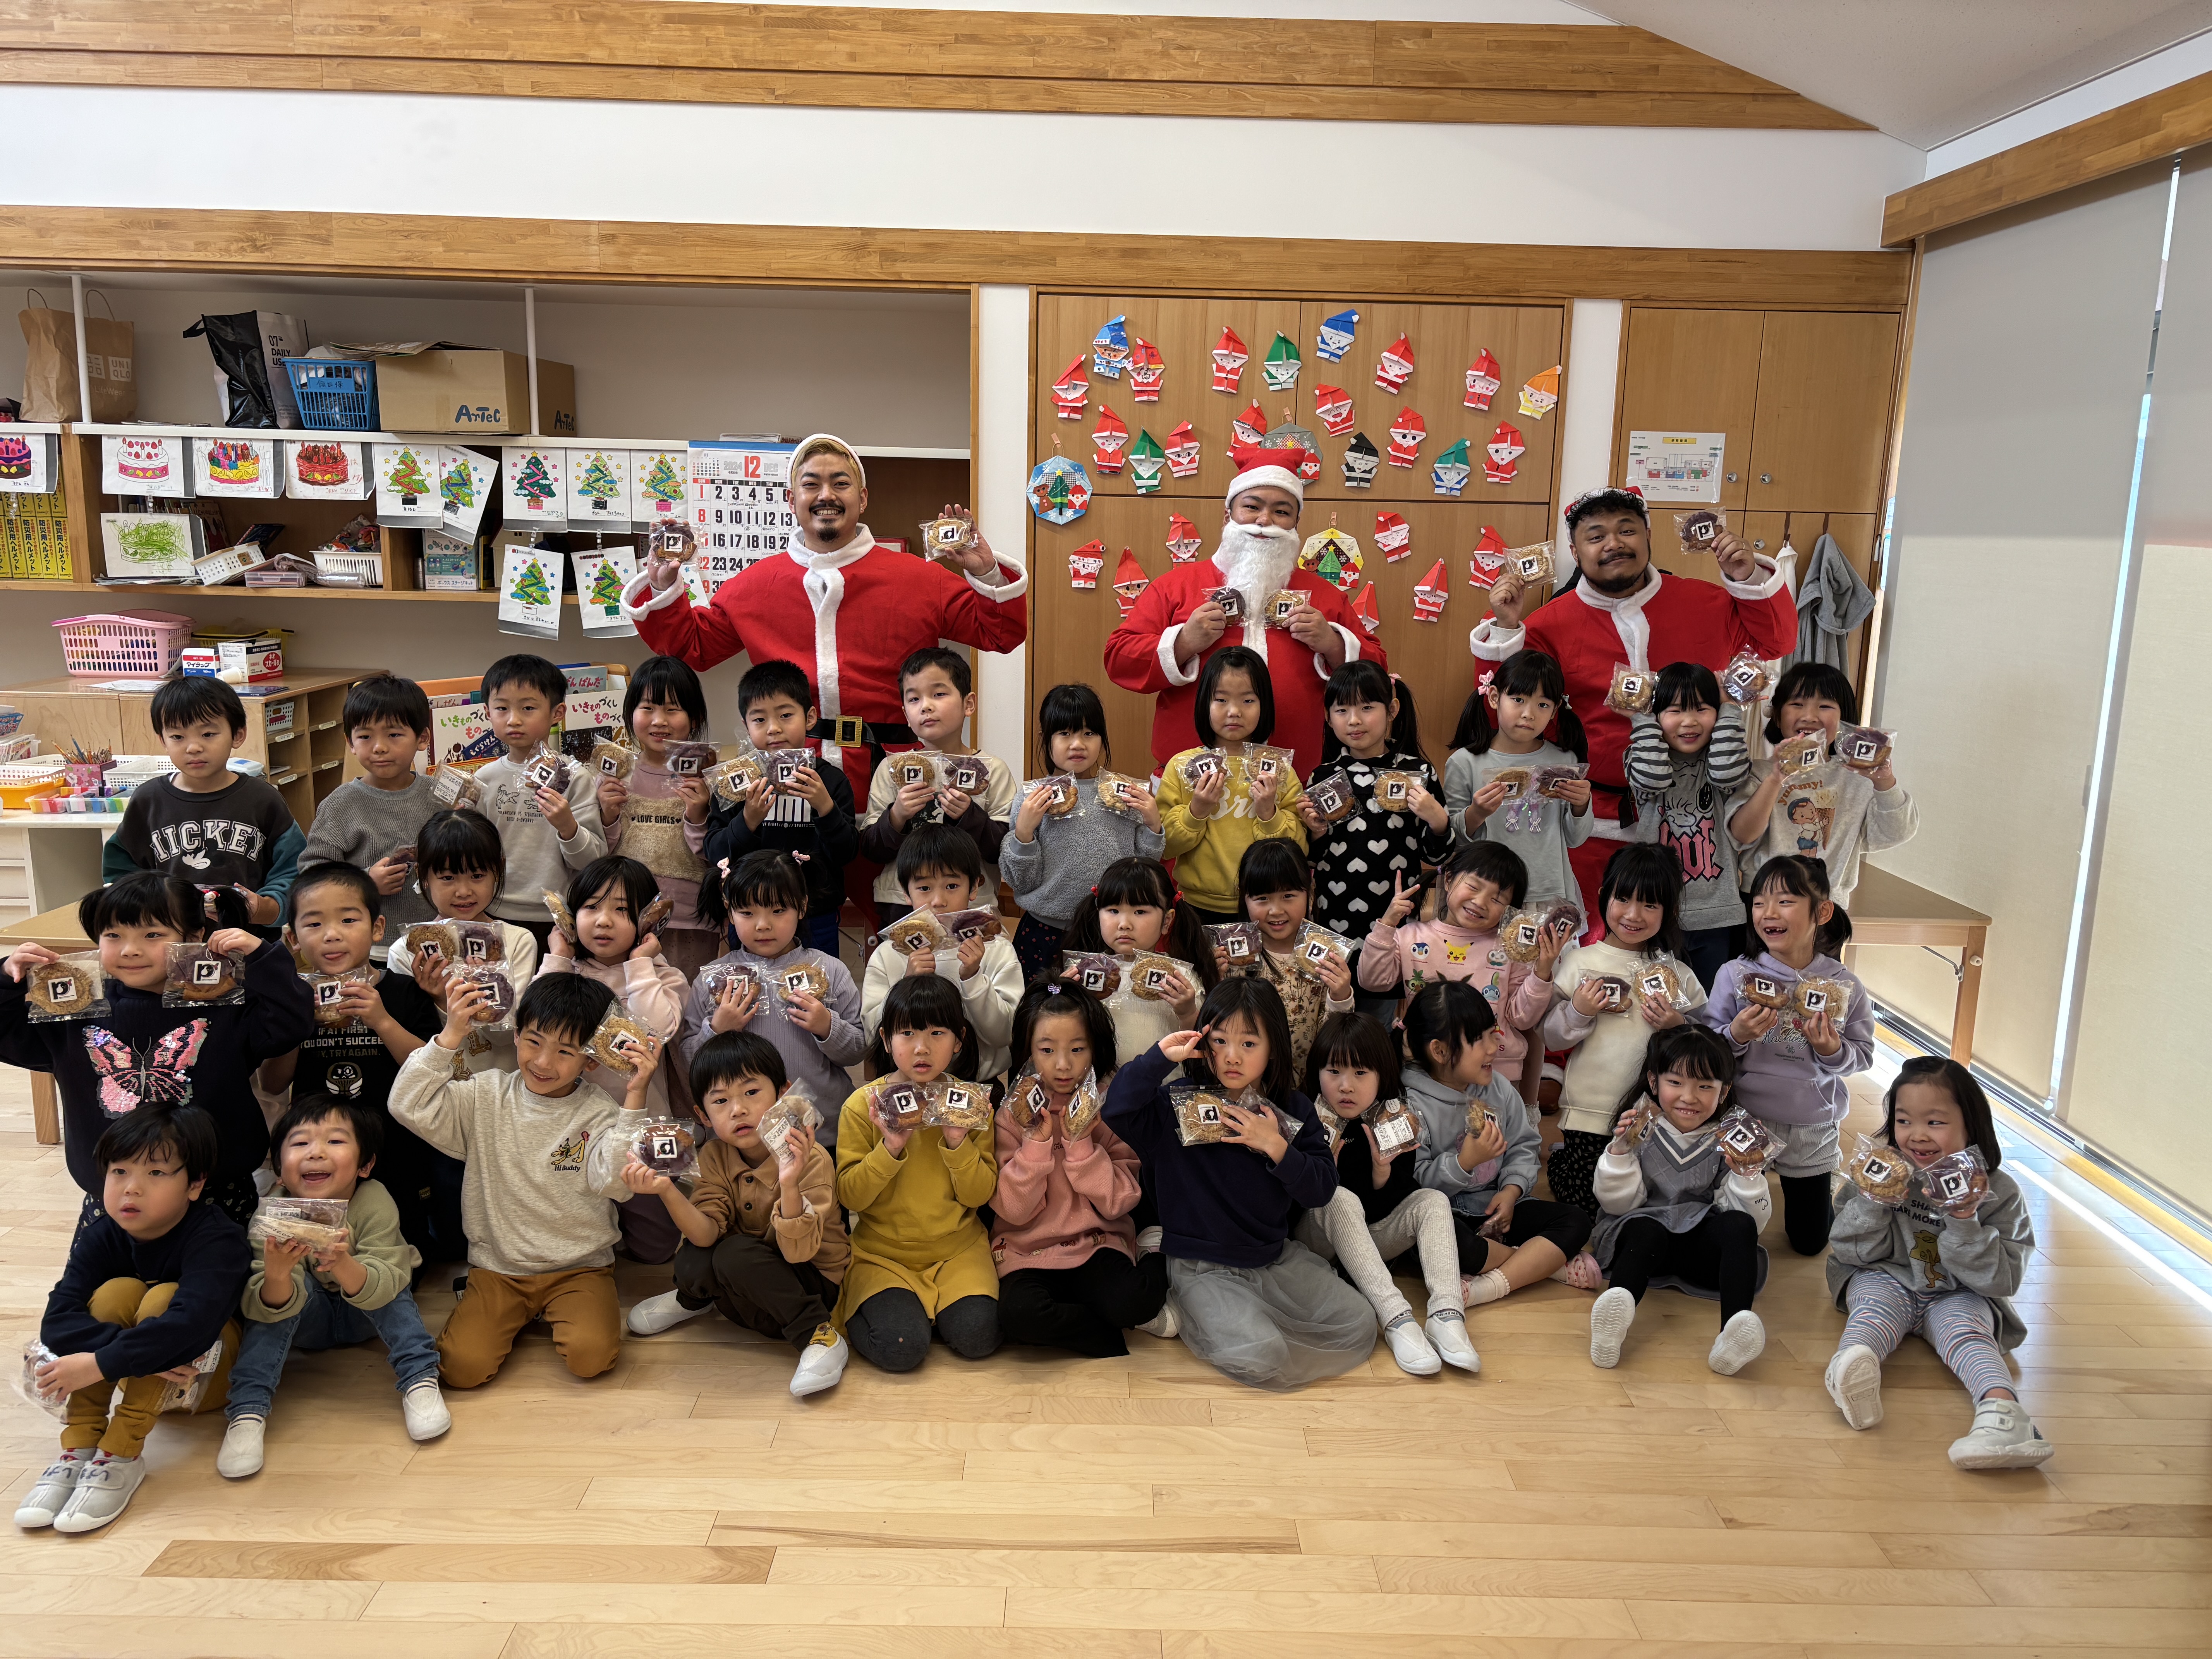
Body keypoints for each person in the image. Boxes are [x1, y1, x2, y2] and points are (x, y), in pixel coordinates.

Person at [622, 433, 1027, 789]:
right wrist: (662, 586)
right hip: (790, 778)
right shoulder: (753, 586)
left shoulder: (921, 578)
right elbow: (693, 648)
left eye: (841, 483)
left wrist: (986, 571)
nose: (826, 495)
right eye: (811, 484)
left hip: (898, 781)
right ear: (791, 500)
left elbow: (1000, 634)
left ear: (863, 498)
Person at [1470, 485, 1795, 919]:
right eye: (1596, 536)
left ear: (1648, 536)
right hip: (1593, 821)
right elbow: (1508, 718)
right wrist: (1507, 628)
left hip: (1695, 822)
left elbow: (1776, 642)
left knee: (1685, 944)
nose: (1614, 544)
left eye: (1627, 531)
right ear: (1575, 552)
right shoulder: (1547, 625)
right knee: (1587, 942)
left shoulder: (1709, 602)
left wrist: (1746, 577)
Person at [1100, 976, 1376, 1390]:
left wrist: (1277, 1147)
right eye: (1220, 1041)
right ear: (1204, 1041)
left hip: (1274, 1260)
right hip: (1201, 1267)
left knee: (1359, 1322)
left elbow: (1321, 1189)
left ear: (1273, 1047)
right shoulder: (1178, 1101)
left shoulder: (1292, 1107)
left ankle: (1232, 1315)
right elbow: (1118, 1109)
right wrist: (1159, 1058)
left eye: (1249, 1043)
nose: (1232, 1057)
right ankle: (1184, 1301)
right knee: (1262, 1356)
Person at [0, 873, 313, 1227]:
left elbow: (292, 1022)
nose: (130, 950)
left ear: (194, 937)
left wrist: (262, 957)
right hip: (113, 1200)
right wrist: (7, 979)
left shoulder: (226, 1002)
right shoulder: (77, 1010)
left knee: (219, 1266)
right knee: (103, 1267)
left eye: (152, 935)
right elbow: (8, 1037)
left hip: (217, 1192)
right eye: (113, 935)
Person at [390, 974, 653, 1388]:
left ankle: (551, 1310)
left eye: (565, 1051)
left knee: (592, 1359)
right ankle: (506, 1308)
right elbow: (406, 1104)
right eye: (533, 1042)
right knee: (460, 1370)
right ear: (515, 1035)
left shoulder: (601, 1112)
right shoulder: (485, 1095)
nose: (544, 1062)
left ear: (590, 1060)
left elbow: (616, 1186)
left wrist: (636, 1096)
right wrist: (451, 1035)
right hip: (499, 1268)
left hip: (579, 1269)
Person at [17, 1106, 247, 1534]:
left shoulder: (218, 1237)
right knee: (114, 1293)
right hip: (147, 1369)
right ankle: (79, 1448)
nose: (132, 1188)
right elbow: (58, 1321)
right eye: (119, 1171)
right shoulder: (102, 1235)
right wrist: (138, 1354)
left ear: (195, 1185)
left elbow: (191, 1328)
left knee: (164, 1298)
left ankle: (121, 1453)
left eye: (156, 1173)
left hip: (203, 1379)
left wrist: (100, 1362)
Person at [1107, 442, 1384, 776]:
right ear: (1228, 514)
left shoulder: (1325, 596)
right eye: (1252, 507)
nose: (1264, 521)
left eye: (1282, 512)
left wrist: (1333, 644)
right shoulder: (1175, 587)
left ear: (1296, 522)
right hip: (1190, 783)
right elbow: (1119, 659)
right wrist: (1183, 643)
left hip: (1292, 783)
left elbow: (1377, 671)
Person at [1826, 1057, 2050, 1468]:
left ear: (1971, 1125)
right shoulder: (1878, 1172)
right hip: (1887, 1275)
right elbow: (1848, 1252)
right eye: (1904, 1120)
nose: (1917, 1135)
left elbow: (2001, 1280)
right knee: (1874, 1309)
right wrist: (1874, 1202)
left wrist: (1965, 1220)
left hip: (1959, 1292)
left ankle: (2004, 1414)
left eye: (1935, 1122)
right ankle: (1852, 1370)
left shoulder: (1999, 1192)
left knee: (1967, 1335)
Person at [216, 1096, 448, 1479]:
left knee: (392, 1277)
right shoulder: (273, 1213)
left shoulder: (374, 1199)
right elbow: (264, 1309)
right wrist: (277, 1277)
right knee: (268, 1299)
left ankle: (420, 1377)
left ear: (365, 1165)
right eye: (300, 1143)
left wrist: (342, 1264)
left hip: (364, 1314)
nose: (316, 1153)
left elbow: (385, 1286)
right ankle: (247, 1412)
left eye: (335, 1141)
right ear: (278, 1169)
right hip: (307, 1321)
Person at [622, 1032, 854, 1400]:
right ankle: (694, 1301)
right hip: (750, 1279)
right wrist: (666, 1190)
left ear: (783, 1094)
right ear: (703, 1115)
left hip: (811, 1286)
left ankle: (819, 1336)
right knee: (696, 1256)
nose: (738, 1110)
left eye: (752, 1092)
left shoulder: (810, 1157)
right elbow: (705, 1235)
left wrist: (789, 1183)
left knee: (733, 1254)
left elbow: (799, 1254)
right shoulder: (714, 1155)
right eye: (721, 1101)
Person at [258, 863, 446, 1262]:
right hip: (319, 1152)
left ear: (377, 928)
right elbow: (273, 1083)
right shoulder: (292, 1000)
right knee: (314, 1255)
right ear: (292, 938)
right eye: (314, 924)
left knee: (405, 1252)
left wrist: (382, 1021)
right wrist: (298, 1024)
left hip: (396, 1144)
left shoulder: (404, 992)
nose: (332, 934)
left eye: (348, 919)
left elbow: (430, 1070)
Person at [1701, 855, 1873, 1257]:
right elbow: (1707, 1051)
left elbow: (1863, 1055)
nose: (1768, 913)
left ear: (1822, 912)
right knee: (1731, 1225)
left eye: (1785, 901)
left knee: (1810, 1243)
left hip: (1811, 1123)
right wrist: (1736, 1035)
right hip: (1744, 1116)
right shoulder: (1736, 975)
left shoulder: (1842, 985)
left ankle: (1839, 1195)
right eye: (1759, 902)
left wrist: (1832, 1050)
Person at [833, 975, 1001, 1373]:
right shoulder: (863, 1105)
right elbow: (850, 1197)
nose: (922, 1047)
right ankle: (908, 1315)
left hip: (959, 1251)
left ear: (959, 1040)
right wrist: (891, 1147)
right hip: (883, 1255)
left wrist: (958, 1143)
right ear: (886, 1040)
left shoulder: (968, 1103)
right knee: (901, 1348)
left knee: (979, 1337)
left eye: (937, 1033)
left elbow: (979, 1197)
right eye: (907, 1033)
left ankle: (933, 1313)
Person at [992, 982, 1169, 1357]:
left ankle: (1151, 1252)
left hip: (1097, 1243)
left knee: (1136, 1302)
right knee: (1018, 1316)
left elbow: (1119, 1202)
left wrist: (1081, 1146)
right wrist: (1036, 1146)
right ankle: (1105, 1335)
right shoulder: (1012, 1113)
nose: (1063, 1064)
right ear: (1027, 1051)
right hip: (1028, 1251)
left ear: (1095, 1049)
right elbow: (1013, 1210)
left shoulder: (1106, 1105)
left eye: (1077, 1049)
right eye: (1047, 1050)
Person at [1298, 1012, 1479, 1376]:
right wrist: (1321, 1174)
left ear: (1382, 1075)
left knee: (1433, 1200)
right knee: (1339, 1197)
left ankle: (1447, 1314)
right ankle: (1396, 1318)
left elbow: (1385, 1208)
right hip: (1312, 1244)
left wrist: (1382, 1172)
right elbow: (1288, 1207)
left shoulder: (1394, 1119)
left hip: (1368, 1241)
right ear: (1317, 1072)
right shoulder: (1304, 1115)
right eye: (1334, 1071)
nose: (1346, 1086)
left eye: (1361, 1073)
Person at [1586, 1026, 1771, 1375]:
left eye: (1705, 1087)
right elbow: (1617, 1207)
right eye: (1676, 1082)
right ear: (1653, 1082)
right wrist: (1620, 1153)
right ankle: (1613, 1320)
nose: (1690, 1097)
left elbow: (1753, 1223)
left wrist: (1748, 1176)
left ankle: (1734, 1332)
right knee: (1646, 1230)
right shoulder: (1639, 1128)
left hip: (1697, 1252)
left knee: (1740, 1225)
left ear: (1724, 1091)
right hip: (1641, 1249)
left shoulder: (1728, 1139)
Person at [1543, 844, 1707, 1236]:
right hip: (1590, 1113)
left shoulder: (1678, 974)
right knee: (1586, 1211)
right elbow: (1551, 1037)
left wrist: (1678, 1024)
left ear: (1669, 911)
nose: (1633, 915)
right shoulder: (1580, 962)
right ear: (1604, 897)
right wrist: (1579, 1010)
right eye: (1623, 899)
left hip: (1658, 1119)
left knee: (1646, 1205)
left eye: (1650, 905)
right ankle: (1562, 1158)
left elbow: (1703, 1043)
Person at [537, 855, 692, 1264]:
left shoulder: (664, 976)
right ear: (570, 918)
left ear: (647, 921)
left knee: (656, 1249)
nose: (604, 921)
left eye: (622, 910)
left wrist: (640, 964)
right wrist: (557, 958)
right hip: (574, 1130)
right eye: (591, 907)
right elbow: (535, 1027)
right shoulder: (565, 973)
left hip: (644, 1124)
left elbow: (657, 1030)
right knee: (575, 1232)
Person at [1402, 980, 1591, 1306]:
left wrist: (1512, 1192)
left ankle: (1486, 1284)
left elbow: (1524, 1146)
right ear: (1440, 1051)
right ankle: (1538, 1265)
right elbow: (1414, 1184)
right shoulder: (1409, 1105)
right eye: (1480, 1040)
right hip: (1448, 1215)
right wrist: (1464, 1163)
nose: (1495, 1047)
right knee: (1443, 1243)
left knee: (1576, 1221)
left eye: (1494, 1033)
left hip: (1499, 1208)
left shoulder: (1499, 1088)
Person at [1296, 662, 1451, 1018]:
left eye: (1367, 707)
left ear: (1392, 710)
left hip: (1393, 913)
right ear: (1328, 717)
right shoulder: (1323, 776)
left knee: (1379, 1013)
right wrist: (1315, 832)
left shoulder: (1417, 772)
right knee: (1336, 1010)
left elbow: (1437, 855)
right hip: (1335, 913)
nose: (1354, 720)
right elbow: (1312, 860)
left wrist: (1438, 819)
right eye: (1342, 710)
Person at [680, 851, 866, 1146]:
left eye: (778, 911)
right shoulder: (713, 979)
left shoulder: (830, 971)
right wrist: (716, 1031)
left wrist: (827, 1026)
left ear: (802, 907)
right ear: (730, 911)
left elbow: (857, 1051)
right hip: (742, 1137)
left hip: (821, 1131)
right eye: (747, 913)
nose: (763, 925)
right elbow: (690, 1060)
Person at [103, 675, 305, 933]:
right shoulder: (148, 800)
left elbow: (292, 870)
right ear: (163, 741)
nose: (194, 747)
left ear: (238, 735)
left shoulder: (263, 799)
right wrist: (145, 909)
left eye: (208, 734)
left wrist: (265, 907)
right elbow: (122, 873)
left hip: (251, 941)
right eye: (178, 736)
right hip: (170, 942)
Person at [1000, 682, 1165, 982]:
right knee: (1046, 1000)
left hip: (1108, 933)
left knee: (1101, 1004)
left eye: (1089, 733)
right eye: (1065, 733)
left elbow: (1142, 869)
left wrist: (1153, 824)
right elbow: (1021, 881)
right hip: (1045, 933)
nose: (1078, 744)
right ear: (1046, 739)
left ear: (1103, 738)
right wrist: (1023, 832)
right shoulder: (1031, 798)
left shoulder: (1124, 794)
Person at [1359, 841, 1561, 1081]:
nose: (1480, 902)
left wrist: (1542, 972)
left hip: (1496, 1072)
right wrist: (1387, 925)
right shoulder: (1411, 937)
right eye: (1474, 887)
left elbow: (1522, 1018)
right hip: (1425, 1069)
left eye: (1497, 900)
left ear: (1510, 910)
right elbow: (1372, 981)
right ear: (1448, 880)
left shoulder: (1510, 949)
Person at [698, 659, 860, 957]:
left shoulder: (830, 781)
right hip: (751, 917)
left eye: (786, 715)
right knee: (752, 983)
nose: (774, 728)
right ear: (746, 726)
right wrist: (748, 820)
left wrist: (825, 808)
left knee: (818, 983)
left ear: (810, 717)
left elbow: (846, 854)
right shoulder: (737, 782)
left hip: (816, 914)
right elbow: (715, 852)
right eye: (760, 719)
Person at [1728, 662, 1918, 910]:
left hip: (1828, 905)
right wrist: (1776, 779)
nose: (1809, 716)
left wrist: (1885, 783)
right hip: (1763, 901)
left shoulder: (1858, 778)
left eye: (1825, 706)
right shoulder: (1760, 773)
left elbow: (1895, 833)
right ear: (1776, 716)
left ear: (1844, 719)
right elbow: (1742, 835)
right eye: (1797, 704)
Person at [859, 646, 1017, 929]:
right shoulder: (892, 768)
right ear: (906, 714)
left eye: (939, 694)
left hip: (973, 903)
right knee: (906, 959)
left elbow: (1004, 851)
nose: (926, 706)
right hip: (902, 903)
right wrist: (897, 816)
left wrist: (970, 816)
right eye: (914, 699)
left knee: (972, 959)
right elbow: (871, 849)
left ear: (969, 704)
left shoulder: (992, 770)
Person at [383, 807, 541, 1082]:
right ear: (424, 876)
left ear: (498, 869)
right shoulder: (406, 951)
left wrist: (484, 991)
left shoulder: (518, 942)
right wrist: (440, 1000)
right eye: (448, 878)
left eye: (477, 876)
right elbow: (410, 1046)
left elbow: (511, 1036)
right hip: (438, 1090)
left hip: (501, 1088)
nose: (464, 891)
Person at [1624, 661, 1753, 990]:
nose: (1689, 721)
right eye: (1675, 710)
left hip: (1718, 915)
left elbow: (1727, 772)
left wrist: (1730, 707)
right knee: (1655, 1004)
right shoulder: (1640, 756)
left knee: (1711, 1007)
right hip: (1656, 913)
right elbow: (1653, 777)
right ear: (1657, 715)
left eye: (1702, 709)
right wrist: (1641, 714)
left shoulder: (1722, 761)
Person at [1156, 648, 1307, 927]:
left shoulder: (1277, 768)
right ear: (1205, 703)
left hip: (1265, 906)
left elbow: (1299, 849)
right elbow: (1164, 846)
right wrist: (1197, 810)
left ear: (1264, 705)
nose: (1234, 711)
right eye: (1221, 700)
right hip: (1196, 906)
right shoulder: (1183, 766)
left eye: (1248, 700)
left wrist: (1269, 814)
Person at [860, 825, 1022, 1083]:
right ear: (905, 891)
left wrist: (974, 978)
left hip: (977, 1084)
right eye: (925, 888)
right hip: (907, 1084)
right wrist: (906, 982)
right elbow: (873, 1035)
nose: (938, 901)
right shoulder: (889, 954)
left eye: (952, 885)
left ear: (974, 887)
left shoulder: (997, 950)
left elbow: (1004, 1035)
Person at [596, 654, 722, 981]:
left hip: (690, 918)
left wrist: (698, 815)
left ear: (695, 718)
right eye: (648, 708)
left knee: (684, 1003)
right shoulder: (615, 774)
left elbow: (718, 857)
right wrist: (608, 816)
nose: (659, 721)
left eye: (672, 709)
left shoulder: (710, 778)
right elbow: (598, 854)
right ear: (630, 714)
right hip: (624, 918)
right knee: (627, 1003)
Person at [470, 653, 606, 951]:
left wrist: (568, 827)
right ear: (487, 712)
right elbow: (472, 853)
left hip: (558, 918)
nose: (514, 719)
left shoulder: (574, 778)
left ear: (557, 713)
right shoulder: (484, 779)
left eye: (528, 708)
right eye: (502, 708)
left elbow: (592, 862)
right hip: (492, 911)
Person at [302, 673, 438, 958]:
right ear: (351, 743)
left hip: (436, 940)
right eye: (365, 736)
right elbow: (312, 875)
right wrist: (365, 884)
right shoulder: (340, 805)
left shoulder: (439, 796)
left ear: (423, 738)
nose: (379, 747)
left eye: (394, 735)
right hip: (369, 948)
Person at [1444, 649, 1593, 909]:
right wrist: (1476, 814)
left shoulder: (1565, 761)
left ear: (1555, 710)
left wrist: (1581, 805)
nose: (1529, 714)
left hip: (1549, 892)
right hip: (1486, 896)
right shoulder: (1465, 762)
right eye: (1518, 700)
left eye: (1543, 705)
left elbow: (1575, 839)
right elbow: (1452, 841)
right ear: (1494, 697)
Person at [1058, 856, 1214, 1065]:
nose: (1124, 924)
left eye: (1140, 912)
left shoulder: (1179, 978)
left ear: (1167, 921)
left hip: (1161, 1082)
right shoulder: (1083, 974)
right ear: (1098, 915)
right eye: (1114, 911)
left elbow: (1200, 1046)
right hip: (1097, 1082)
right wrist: (1062, 997)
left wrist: (1187, 1012)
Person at [1223, 839, 1352, 1082]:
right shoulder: (1232, 955)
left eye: (1288, 896)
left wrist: (1341, 995)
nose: (1276, 910)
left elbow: (1338, 1036)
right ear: (1244, 898)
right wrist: (1213, 978)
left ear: (1310, 893)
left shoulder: (1325, 956)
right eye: (1263, 898)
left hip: (1308, 1087)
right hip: (1246, 1085)